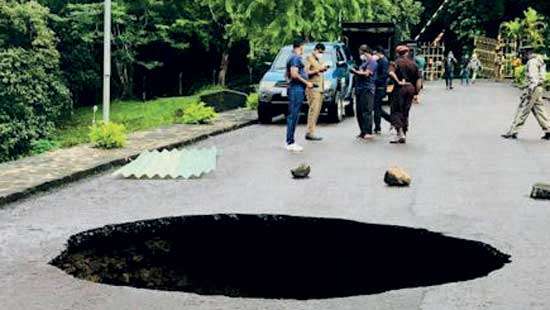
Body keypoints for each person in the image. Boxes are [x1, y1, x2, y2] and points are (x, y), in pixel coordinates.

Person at [502, 46, 550, 140]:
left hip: (533, 88)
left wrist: (529, 91)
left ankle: (513, 131)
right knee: (539, 110)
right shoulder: (539, 60)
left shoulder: (531, 62)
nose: (522, 56)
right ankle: (548, 130)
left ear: (527, 53)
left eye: (523, 53)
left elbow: (533, 78)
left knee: (523, 109)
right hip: (539, 88)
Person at [388, 45, 421, 144]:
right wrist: (416, 92)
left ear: (397, 53)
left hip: (400, 88)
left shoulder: (395, 63)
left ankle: (400, 133)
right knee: (405, 111)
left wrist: (397, 81)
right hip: (410, 88)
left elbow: (391, 73)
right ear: (407, 53)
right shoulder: (414, 64)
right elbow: (419, 80)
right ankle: (404, 133)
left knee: (396, 110)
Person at [285, 39, 313, 152]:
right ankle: (290, 142)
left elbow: (288, 74)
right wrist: (307, 83)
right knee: (293, 115)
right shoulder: (295, 58)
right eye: (303, 47)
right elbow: (294, 74)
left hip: (296, 88)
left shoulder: (291, 58)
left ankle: (290, 140)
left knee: (294, 114)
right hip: (296, 89)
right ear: (300, 47)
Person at [351, 45, 378, 140]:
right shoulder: (364, 62)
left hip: (367, 89)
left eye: (361, 53)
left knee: (367, 111)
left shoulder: (372, 62)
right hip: (359, 88)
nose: (360, 55)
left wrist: (356, 72)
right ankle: (362, 131)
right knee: (359, 111)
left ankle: (368, 131)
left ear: (365, 52)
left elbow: (367, 74)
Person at [304, 43, 329, 141]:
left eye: (322, 53)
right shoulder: (309, 58)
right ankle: (310, 132)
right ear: (315, 50)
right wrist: (316, 71)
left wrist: (324, 68)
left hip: (320, 88)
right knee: (313, 110)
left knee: (317, 111)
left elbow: (319, 70)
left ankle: (312, 131)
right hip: (313, 88)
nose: (321, 54)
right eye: (320, 52)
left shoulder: (319, 60)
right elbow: (305, 73)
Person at [373, 45, 391, 134]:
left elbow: (384, 75)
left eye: (375, 53)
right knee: (376, 107)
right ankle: (378, 126)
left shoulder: (384, 61)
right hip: (378, 86)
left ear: (379, 53)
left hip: (380, 87)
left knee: (376, 107)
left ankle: (389, 121)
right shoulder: (381, 60)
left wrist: (374, 80)